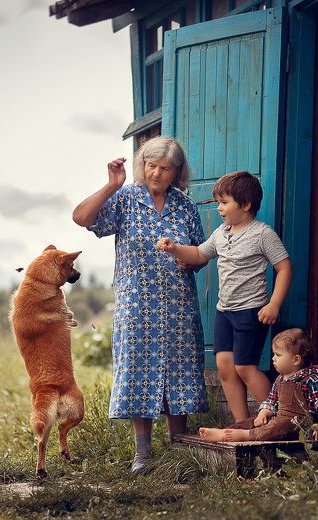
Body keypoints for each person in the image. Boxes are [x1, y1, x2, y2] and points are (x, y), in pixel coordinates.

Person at [72, 136, 207, 474]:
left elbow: (201, 255)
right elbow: (82, 217)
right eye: (151, 165)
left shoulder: (186, 207)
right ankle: (142, 455)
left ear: (177, 172)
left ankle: (180, 449)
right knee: (138, 372)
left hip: (178, 305)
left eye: (165, 168)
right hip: (137, 306)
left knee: (179, 373)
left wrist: (183, 257)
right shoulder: (126, 199)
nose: (157, 173)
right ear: (142, 166)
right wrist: (111, 184)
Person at [157, 170, 292, 422]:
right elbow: (198, 255)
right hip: (224, 312)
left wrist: (274, 304)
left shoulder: (262, 234)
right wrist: (174, 248)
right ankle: (244, 423)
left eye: (224, 202)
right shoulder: (221, 233)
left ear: (246, 204)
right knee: (225, 368)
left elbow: (284, 268)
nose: (218, 208)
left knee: (245, 367)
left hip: (251, 311)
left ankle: (278, 418)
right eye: (218, 202)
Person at [197, 328, 318, 442]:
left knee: (277, 427)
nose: (273, 358)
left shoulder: (311, 378)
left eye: (278, 355)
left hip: (300, 425)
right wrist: (263, 413)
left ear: (296, 359)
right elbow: (271, 401)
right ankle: (228, 431)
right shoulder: (280, 379)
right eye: (274, 354)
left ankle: (245, 436)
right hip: (280, 418)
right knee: (251, 421)